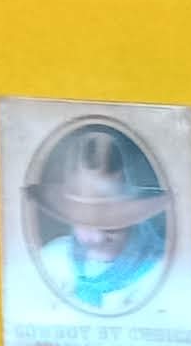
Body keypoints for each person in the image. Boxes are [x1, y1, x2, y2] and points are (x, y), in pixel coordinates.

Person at [27, 125, 169, 314]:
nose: (97, 238)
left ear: (135, 219)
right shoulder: (52, 260)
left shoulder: (159, 273)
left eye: (112, 226)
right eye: (84, 224)